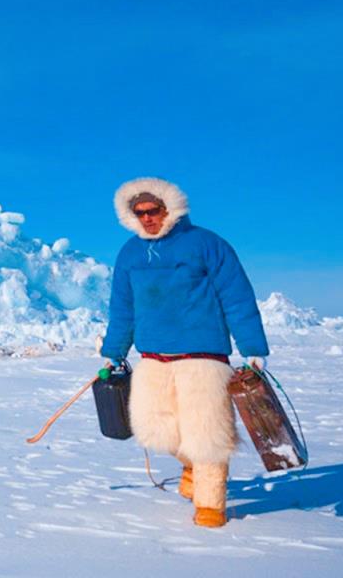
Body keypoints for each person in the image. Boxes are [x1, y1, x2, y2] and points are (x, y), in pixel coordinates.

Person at [101, 177, 269, 528]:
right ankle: (190, 466)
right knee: (159, 432)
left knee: (207, 436)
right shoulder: (130, 253)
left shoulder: (207, 244)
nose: (147, 218)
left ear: (170, 208)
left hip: (203, 359)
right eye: (140, 212)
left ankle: (211, 505)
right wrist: (114, 351)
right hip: (153, 360)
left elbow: (237, 297)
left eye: (154, 210)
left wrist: (252, 348)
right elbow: (123, 308)